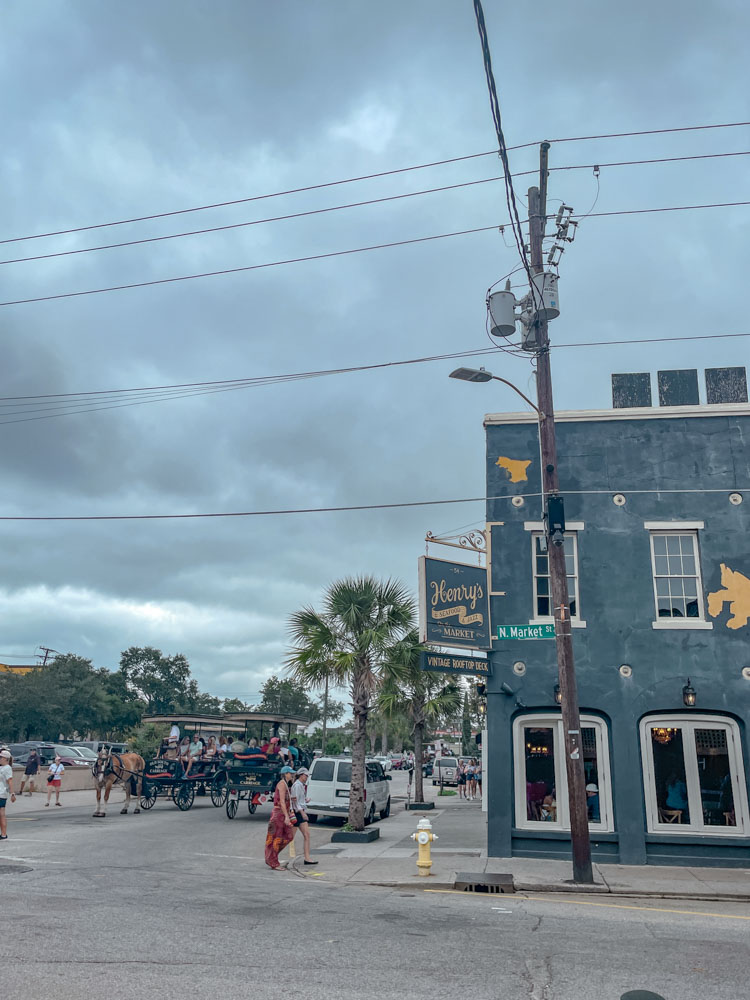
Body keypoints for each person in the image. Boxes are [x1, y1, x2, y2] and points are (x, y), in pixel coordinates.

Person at [265, 766, 296, 870]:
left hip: (282, 814)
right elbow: (281, 801)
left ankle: (272, 857)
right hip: (279, 815)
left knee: (288, 836)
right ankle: (273, 861)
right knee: (276, 838)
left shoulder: (286, 784)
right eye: (290, 773)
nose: (292, 775)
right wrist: (287, 817)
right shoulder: (282, 784)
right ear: (286, 774)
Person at [291, 767, 317, 865]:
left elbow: (299, 799)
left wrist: (305, 800)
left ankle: (307, 858)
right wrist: (302, 812)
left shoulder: (301, 785)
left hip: (300, 812)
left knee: (307, 835)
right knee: (290, 837)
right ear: (301, 775)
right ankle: (274, 853)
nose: (307, 777)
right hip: (297, 813)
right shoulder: (297, 785)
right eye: (306, 776)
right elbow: (295, 801)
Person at [0, 748, 16, 839]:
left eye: (1, 757)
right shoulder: (1, 767)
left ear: (5, 759)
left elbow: (10, 781)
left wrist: (12, 793)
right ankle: (2, 833)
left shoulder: (7, 768)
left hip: (2, 793)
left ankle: (4, 834)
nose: (0, 759)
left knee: (2, 813)